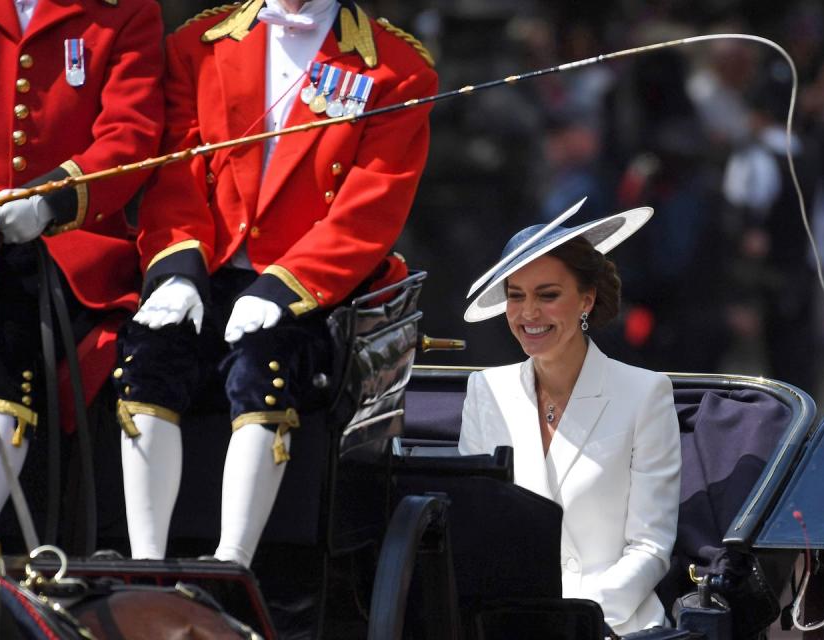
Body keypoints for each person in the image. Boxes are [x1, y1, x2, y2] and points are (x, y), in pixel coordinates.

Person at [113, 0, 437, 563]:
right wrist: (176, 271)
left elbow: (370, 209)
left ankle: (231, 560)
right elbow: (177, 174)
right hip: (207, 268)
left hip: (312, 286)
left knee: (262, 361)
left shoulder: (397, 68)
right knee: (149, 353)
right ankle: (146, 563)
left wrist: (285, 287)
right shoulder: (198, 45)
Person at [0, 0, 164, 537]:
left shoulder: (127, 12)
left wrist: (53, 198)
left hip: (59, 244)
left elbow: (131, 134)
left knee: (13, 341)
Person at [459, 199, 682, 635]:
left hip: (613, 625)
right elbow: (477, 532)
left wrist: (577, 619)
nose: (528, 314)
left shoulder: (645, 393)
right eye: (516, 296)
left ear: (586, 299)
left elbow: (650, 547)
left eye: (548, 295)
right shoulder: (485, 391)